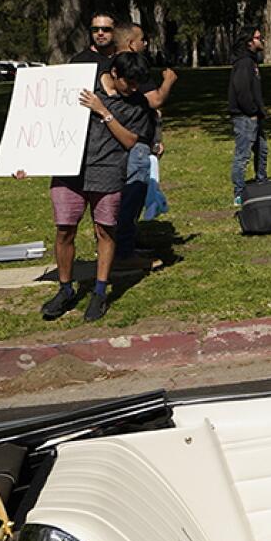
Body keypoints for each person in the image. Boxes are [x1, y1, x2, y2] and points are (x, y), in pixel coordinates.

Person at [37, 52, 156, 322]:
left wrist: (103, 111)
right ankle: (66, 290)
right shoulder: (82, 84)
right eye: (131, 82)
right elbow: (45, 117)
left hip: (108, 172)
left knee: (104, 230)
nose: (136, 88)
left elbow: (130, 142)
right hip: (70, 171)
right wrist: (29, 159)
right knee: (65, 230)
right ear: (114, 73)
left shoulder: (137, 104)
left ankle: (100, 292)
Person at [112, 23, 172, 264]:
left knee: (129, 197)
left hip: (139, 141)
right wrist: (168, 80)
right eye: (141, 40)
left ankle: (125, 243)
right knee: (131, 196)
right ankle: (124, 251)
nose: (145, 44)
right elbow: (154, 100)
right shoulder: (129, 68)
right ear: (130, 44)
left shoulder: (114, 69)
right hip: (134, 144)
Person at [228, 27, 268, 206]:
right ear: (249, 42)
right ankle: (239, 192)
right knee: (242, 155)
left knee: (262, 150)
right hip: (245, 116)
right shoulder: (244, 63)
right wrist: (251, 111)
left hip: (255, 115)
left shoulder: (252, 61)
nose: (262, 40)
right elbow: (242, 89)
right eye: (258, 37)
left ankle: (262, 181)